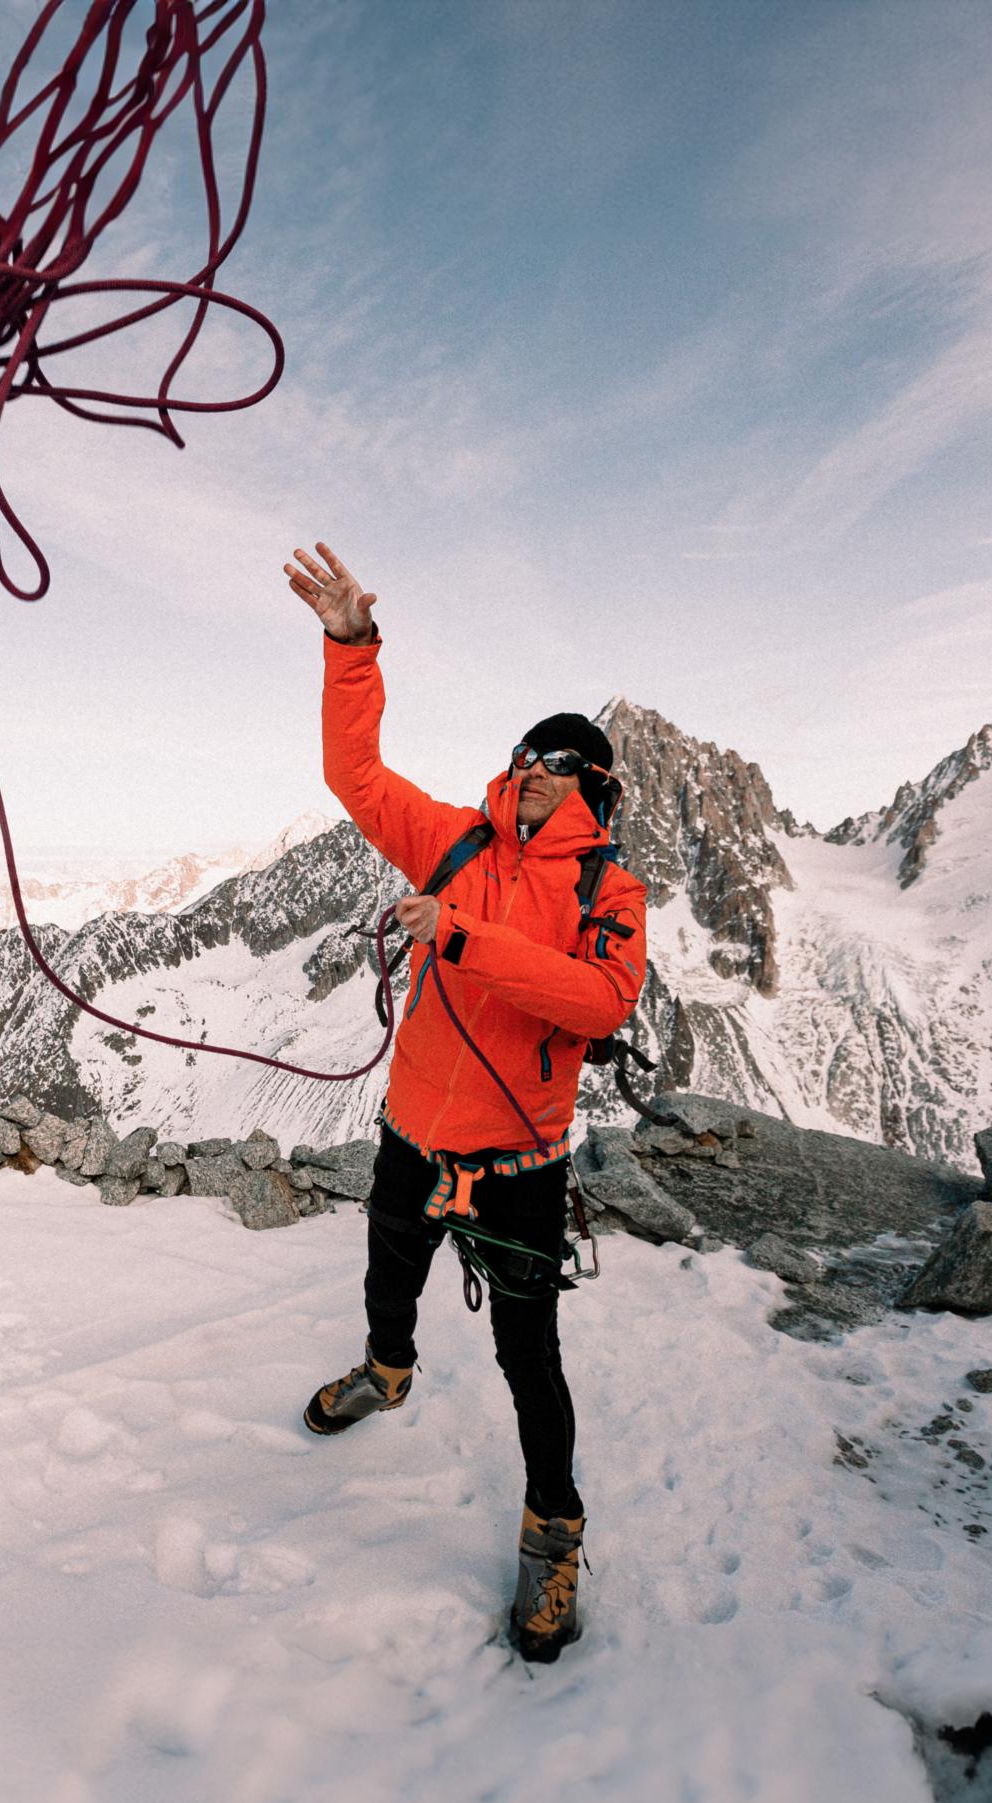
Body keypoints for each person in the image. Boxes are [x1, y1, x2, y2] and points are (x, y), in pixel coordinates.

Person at [282, 540, 649, 1664]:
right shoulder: (456, 841)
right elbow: (356, 777)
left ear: (590, 784)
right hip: (412, 1136)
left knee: (530, 1361)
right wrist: (352, 647)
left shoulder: (607, 889)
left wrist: (467, 937)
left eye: (557, 757)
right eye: (525, 752)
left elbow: (599, 1001)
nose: (532, 766)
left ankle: (554, 1541)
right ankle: (388, 1372)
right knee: (387, 1273)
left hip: (520, 1167)